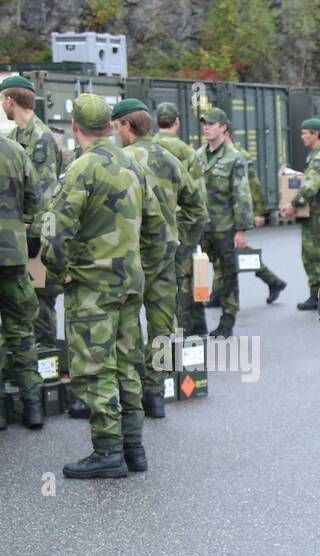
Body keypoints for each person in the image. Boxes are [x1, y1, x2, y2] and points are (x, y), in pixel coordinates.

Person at [42, 94, 166, 479]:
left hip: (92, 285)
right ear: (110, 127)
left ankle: (108, 452)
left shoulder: (81, 168)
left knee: (95, 369)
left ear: (75, 127)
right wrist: (141, 269)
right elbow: (158, 230)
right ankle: (134, 447)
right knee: (128, 364)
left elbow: (55, 231)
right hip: (129, 283)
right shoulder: (132, 165)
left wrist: (57, 271)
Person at [113, 99, 195, 419]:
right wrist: (183, 245)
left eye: (117, 125)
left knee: (127, 326)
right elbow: (195, 206)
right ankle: (156, 394)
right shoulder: (170, 159)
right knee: (163, 325)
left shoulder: (120, 160)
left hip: (127, 259)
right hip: (164, 257)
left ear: (127, 126)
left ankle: (129, 393)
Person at [1, 75, 64, 350]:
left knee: (41, 296)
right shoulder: (15, 137)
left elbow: (45, 192)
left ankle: (47, 356)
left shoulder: (42, 138)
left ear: (9, 100)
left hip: (38, 233)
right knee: (24, 300)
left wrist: (36, 234)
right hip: (19, 234)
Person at [154, 102, 210, 338]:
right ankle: (191, 325)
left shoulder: (149, 148)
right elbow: (198, 192)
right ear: (177, 121)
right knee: (187, 274)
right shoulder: (188, 151)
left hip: (157, 223)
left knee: (164, 277)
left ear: (157, 122)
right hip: (184, 222)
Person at [198, 107, 253, 338]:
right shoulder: (198, 155)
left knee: (228, 274)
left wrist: (240, 229)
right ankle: (196, 319)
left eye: (211, 124)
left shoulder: (233, 157)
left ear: (223, 127)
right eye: (205, 124)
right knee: (198, 273)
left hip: (225, 227)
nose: (207, 127)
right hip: (202, 226)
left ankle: (227, 320)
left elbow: (242, 194)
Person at [0, 129, 42, 430]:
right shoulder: (16, 150)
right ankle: (33, 406)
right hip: (13, 252)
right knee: (21, 329)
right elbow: (35, 200)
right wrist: (25, 232)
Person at [226, 133, 288, 304]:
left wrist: (259, 212)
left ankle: (272, 280)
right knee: (226, 250)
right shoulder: (220, 154)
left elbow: (252, 185)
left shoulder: (239, 155)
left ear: (225, 133)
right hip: (223, 211)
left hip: (236, 210)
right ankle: (219, 292)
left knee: (234, 248)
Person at [282, 117, 320, 308]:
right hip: (316, 211)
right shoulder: (317, 154)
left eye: (305, 133)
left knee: (312, 254)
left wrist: (293, 205)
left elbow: (310, 187)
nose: (302, 136)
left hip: (318, 212)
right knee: (312, 254)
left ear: (316, 134)